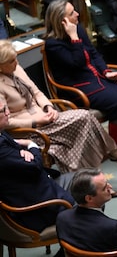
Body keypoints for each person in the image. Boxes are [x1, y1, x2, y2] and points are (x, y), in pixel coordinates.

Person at [0, 41, 117, 169]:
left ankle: (86, 175)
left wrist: (49, 107)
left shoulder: (16, 68)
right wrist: (35, 122)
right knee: (84, 117)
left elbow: (37, 93)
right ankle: (113, 152)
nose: (17, 63)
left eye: (16, 58)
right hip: (28, 130)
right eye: (12, 61)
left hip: (46, 117)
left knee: (84, 129)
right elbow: (6, 122)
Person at [44, 0, 117, 155]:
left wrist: (106, 72)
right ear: (61, 20)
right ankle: (116, 148)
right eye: (72, 13)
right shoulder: (52, 44)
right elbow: (76, 63)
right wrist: (74, 37)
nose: (77, 14)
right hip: (78, 86)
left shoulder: (78, 29)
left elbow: (93, 53)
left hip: (96, 78)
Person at [0, 99, 75, 235]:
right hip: (35, 209)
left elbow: (24, 160)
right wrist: (30, 145)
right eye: (3, 110)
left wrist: (21, 152)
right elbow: (34, 166)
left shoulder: (2, 133)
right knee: (91, 192)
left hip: (38, 187)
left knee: (87, 179)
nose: (8, 112)